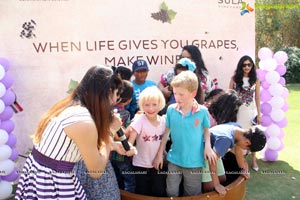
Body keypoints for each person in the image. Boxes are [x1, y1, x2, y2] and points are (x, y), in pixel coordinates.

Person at [15, 66, 132, 199]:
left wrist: (114, 145)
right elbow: (96, 171)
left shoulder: (71, 105)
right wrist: (110, 131)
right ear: (108, 92)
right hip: (53, 183)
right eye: (116, 95)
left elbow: (82, 145)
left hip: (41, 176)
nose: (116, 101)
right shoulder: (83, 121)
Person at [153, 71, 216, 197]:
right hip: (174, 160)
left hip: (194, 162)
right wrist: (159, 154)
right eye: (175, 93)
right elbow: (166, 134)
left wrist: (208, 147)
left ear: (193, 93)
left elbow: (206, 130)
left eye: (181, 94)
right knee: (171, 191)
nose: (177, 97)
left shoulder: (202, 111)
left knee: (192, 193)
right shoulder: (171, 109)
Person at [206, 90, 266, 195]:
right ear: (247, 142)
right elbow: (212, 161)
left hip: (214, 151)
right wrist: (216, 185)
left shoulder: (238, 128)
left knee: (223, 179)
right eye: (247, 149)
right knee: (210, 188)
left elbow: (238, 149)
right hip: (203, 155)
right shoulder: (226, 139)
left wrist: (243, 168)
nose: (244, 149)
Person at [126, 86, 167, 197]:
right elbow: (130, 141)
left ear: (160, 104)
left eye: (154, 104)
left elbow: (162, 142)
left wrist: (164, 154)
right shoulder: (140, 120)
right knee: (142, 191)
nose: (150, 108)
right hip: (140, 164)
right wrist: (129, 149)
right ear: (142, 105)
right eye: (147, 105)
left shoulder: (164, 121)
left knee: (158, 190)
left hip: (157, 163)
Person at [229, 55, 262, 171]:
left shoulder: (255, 80)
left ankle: (253, 159)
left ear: (252, 66)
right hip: (238, 112)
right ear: (240, 66)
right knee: (238, 135)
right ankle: (237, 159)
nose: (247, 67)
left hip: (251, 111)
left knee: (252, 134)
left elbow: (257, 98)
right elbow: (230, 96)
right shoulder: (234, 79)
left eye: (249, 65)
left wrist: (259, 113)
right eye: (244, 65)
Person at [110, 80, 135, 193]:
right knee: (129, 180)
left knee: (115, 179)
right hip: (122, 155)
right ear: (129, 99)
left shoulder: (108, 110)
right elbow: (122, 135)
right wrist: (135, 123)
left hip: (109, 154)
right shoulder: (126, 114)